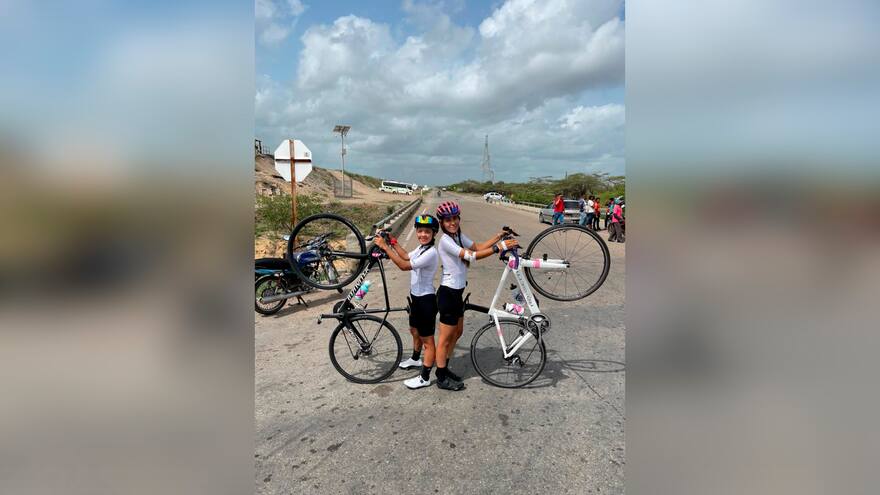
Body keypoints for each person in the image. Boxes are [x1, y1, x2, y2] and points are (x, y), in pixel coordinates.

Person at [434, 200, 518, 391]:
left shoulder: (458, 236)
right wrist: (499, 248)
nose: (452, 222)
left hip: (458, 293)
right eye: (447, 220)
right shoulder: (446, 241)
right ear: (442, 222)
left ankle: (444, 368)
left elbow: (478, 247)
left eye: (455, 218)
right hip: (448, 294)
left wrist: (499, 236)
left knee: (457, 333)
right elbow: (471, 256)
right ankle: (440, 376)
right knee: (445, 339)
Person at [373, 214, 441, 389]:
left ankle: (425, 377)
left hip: (426, 301)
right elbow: (404, 256)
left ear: (434, 234)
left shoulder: (431, 253)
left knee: (428, 340)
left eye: (427, 232)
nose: (423, 234)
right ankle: (416, 359)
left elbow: (404, 266)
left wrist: (385, 247)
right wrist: (393, 242)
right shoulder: (420, 249)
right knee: (414, 330)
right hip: (416, 298)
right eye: (420, 231)